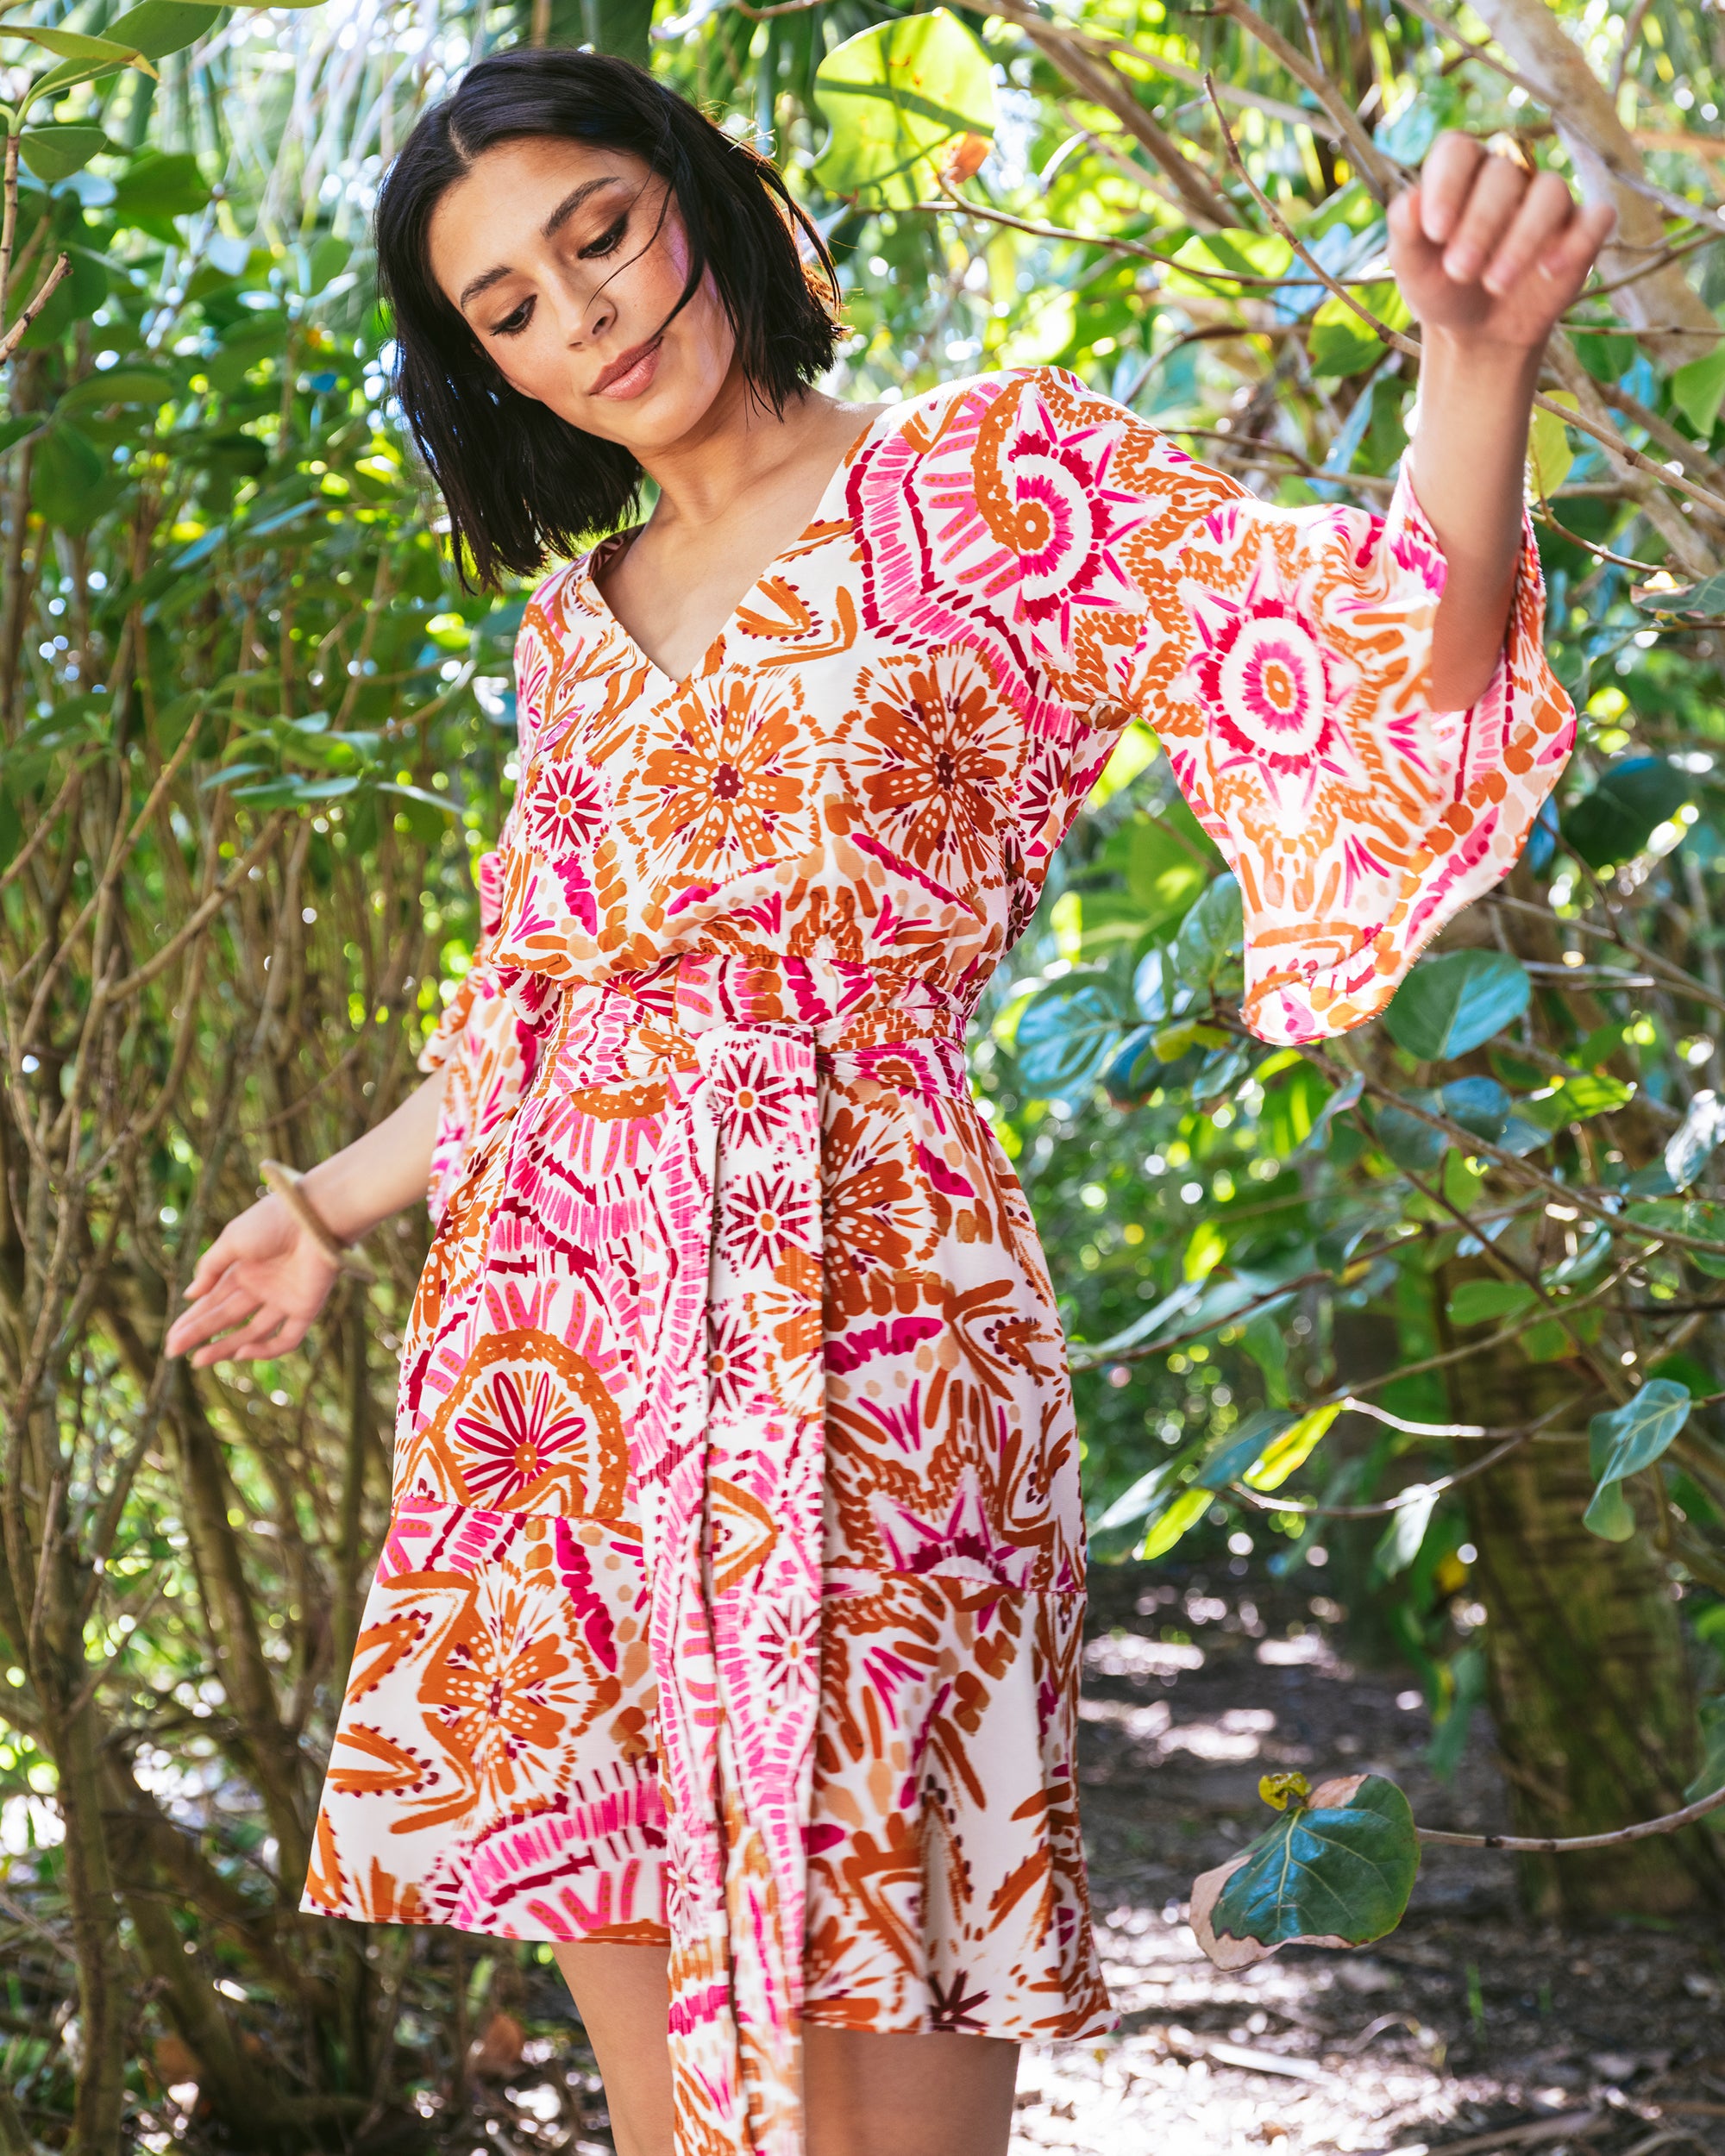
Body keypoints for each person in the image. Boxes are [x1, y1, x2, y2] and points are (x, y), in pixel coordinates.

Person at [165, 44, 1609, 2156]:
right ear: (489, 369)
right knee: (667, 2115)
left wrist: (1473, 367)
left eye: (600, 230)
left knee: (888, 2067)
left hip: (875, 1331)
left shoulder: (990, 477)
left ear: (695, 194)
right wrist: (325, 1203)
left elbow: (1382, 669)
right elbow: (535, 1018)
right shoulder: (566, 635)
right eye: (511, 305)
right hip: (562, 1369)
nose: (585, 310)